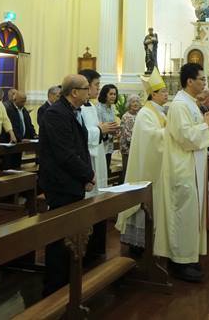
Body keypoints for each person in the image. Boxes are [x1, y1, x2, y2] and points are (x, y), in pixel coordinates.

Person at [154, 63, 209, 282]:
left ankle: (189, 256)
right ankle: (179, 262)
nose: (204, 83)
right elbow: (186, 138)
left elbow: (197, 134)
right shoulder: (179, 105)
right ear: (189, 81)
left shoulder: (191, 103)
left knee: (191, 214)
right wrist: (206, 124)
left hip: (193, 166)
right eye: (202, 79)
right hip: (182, 168)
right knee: (182, 213)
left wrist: (207, 125)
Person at [38, 74, 95, 296]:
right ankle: (54, 288)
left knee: (70, 233)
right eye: (86, 88)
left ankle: (66, 282)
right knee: (59, 234)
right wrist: (87, 174)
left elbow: (80, 147)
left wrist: (85, 176)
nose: (89, 91)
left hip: (71, 182)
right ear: (74, 92)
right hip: (60, 183)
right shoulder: (55, 114)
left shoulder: (71, 111)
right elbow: (65, 154)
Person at [116, 68, 168, 252]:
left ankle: (153, 240)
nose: (166, 94)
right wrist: (170, 132)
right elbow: (150, 137)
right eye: (163, 91)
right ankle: (138, 243)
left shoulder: (160, 113)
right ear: (153, 94)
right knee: (142, 202)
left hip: (158, 165)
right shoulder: (146, 113)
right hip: (145, 166)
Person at [79, 69, 119, 260]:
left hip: (99, 157)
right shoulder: (78, 109)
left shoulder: (92, 107)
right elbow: (80, 136)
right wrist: (100, 129)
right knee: (88, 203)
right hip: (88, 160)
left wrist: (104, 130)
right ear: (86, 86)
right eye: (96, 85)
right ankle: (86, 252)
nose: (98, 88)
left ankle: (97, 249)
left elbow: (94, 132)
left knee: (99, 199)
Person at [118, 94, 142, 180]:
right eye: (133, 102)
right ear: (129, 104)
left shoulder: (140, 115)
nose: (135, 104)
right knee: (127, 171)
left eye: (137, 102)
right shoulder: (126, 116)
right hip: (127, 149)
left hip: (137, 148)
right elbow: (127, 136)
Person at [96, 83, 119, 172]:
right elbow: (99, 126)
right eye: (111, 94)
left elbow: (112, 124)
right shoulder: (99, 108)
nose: (113, 96)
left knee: (107, 168)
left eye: (115, 94)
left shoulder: (112, 108)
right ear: (105, 95)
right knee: (101, 170)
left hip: (109, 144)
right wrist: (109, 131)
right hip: (101, 143)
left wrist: (116, 130)